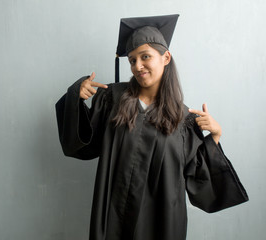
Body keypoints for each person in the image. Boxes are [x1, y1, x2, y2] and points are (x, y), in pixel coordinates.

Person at [55, 14, 248, 240]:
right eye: (132, 60)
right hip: (113, 217)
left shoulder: (183, 119)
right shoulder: (112, 99)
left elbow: (199, 181)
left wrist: (214, 137)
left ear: (165, 57)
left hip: (161, 223)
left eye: (145, 57)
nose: (138, 66)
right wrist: (76, 99)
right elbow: (82, 145)